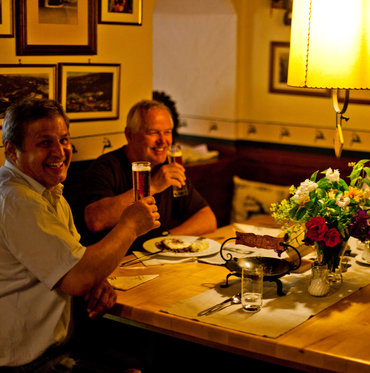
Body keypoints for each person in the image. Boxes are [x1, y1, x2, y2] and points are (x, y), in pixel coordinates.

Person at [0, 99, 160, 370]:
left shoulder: (49, 192)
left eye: (63, 139)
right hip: (26, 365)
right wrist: (130, 225)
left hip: (61, 354)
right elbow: (76, 278)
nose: (60, 151)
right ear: (12, 151)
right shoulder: (17, 201)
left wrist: (97, 282)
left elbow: (77, 264)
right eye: (44, 142)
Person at [78, 99, 217, 253]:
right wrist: (152, 186)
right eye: (153, 132)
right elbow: (95, 220)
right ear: (129, 135)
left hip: (155, 259)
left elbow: (208, 218)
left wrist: (166, 239)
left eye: (167, 132)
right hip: (117, 263)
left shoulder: (168, 167)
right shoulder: (106, 166)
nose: (163, 140)